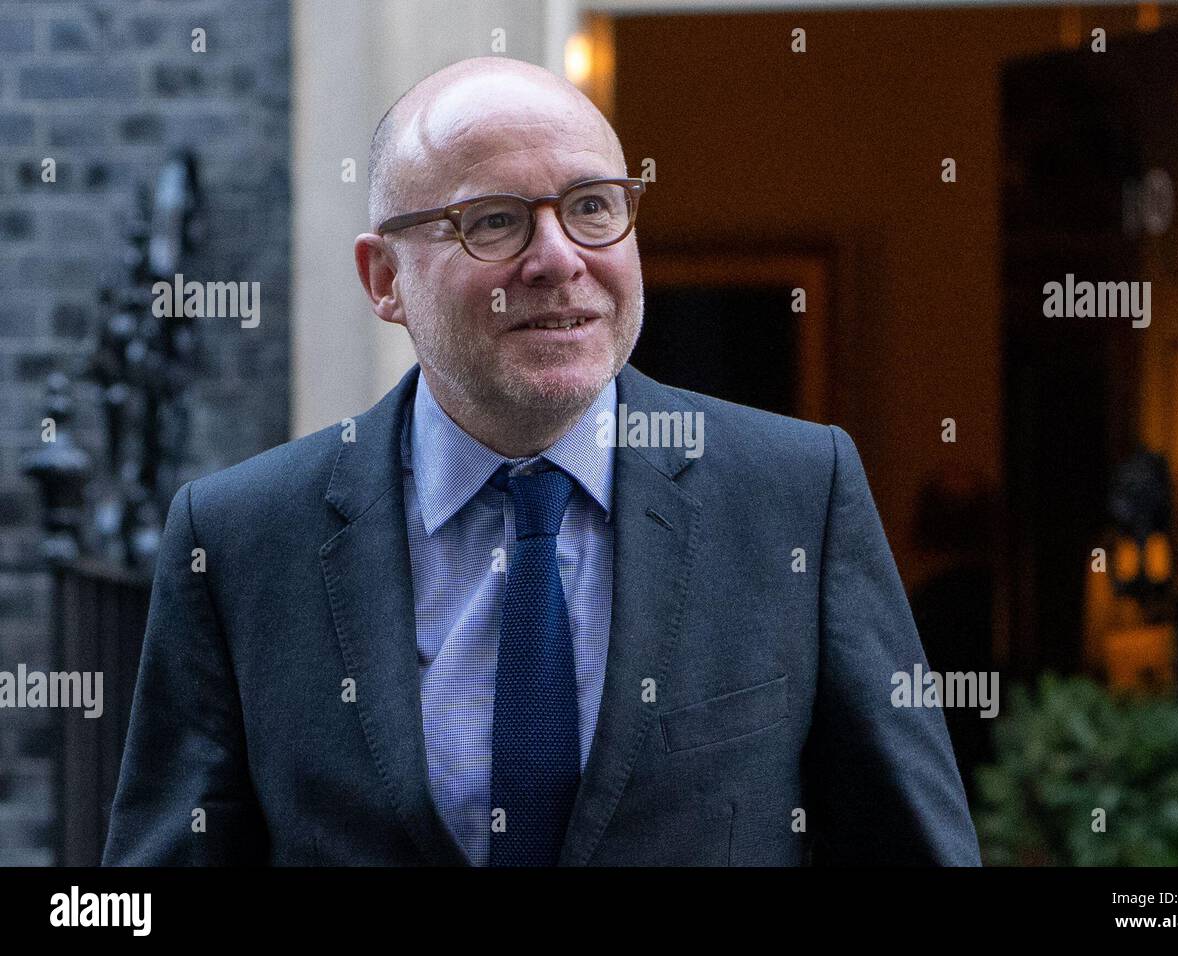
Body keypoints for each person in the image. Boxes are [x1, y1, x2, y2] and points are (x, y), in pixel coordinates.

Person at [102, 56, 979, 866]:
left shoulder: (794, 493)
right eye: (493, 221)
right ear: (384, 279)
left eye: (593, 206)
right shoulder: (241, 538)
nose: (559, 259)